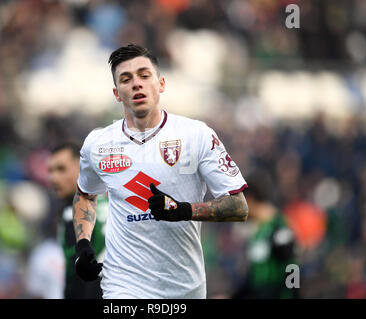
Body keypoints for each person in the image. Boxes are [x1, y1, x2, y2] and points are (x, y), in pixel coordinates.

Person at [73, 44, 249, 299]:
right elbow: (85, 195)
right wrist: (83, 245)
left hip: (185, 286)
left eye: (144, 75)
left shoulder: (196, 135)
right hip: (123, 284)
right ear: (116, 93)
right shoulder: (98, 144)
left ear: (161, 83)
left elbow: (239, 207)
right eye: (126, 79)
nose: (136, 84)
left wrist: (182, 210)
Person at [48, 141, 106, 299]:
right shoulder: (105, 203)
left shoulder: (74, 213)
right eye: (50, 171)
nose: (54, 178)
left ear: (81, 167)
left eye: (61, 169)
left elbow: (78, 273)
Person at [232, 171, 298, 299]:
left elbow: (292, 268)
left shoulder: (279, 228)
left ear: (249, 199)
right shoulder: (259, 232)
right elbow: (253, 279)